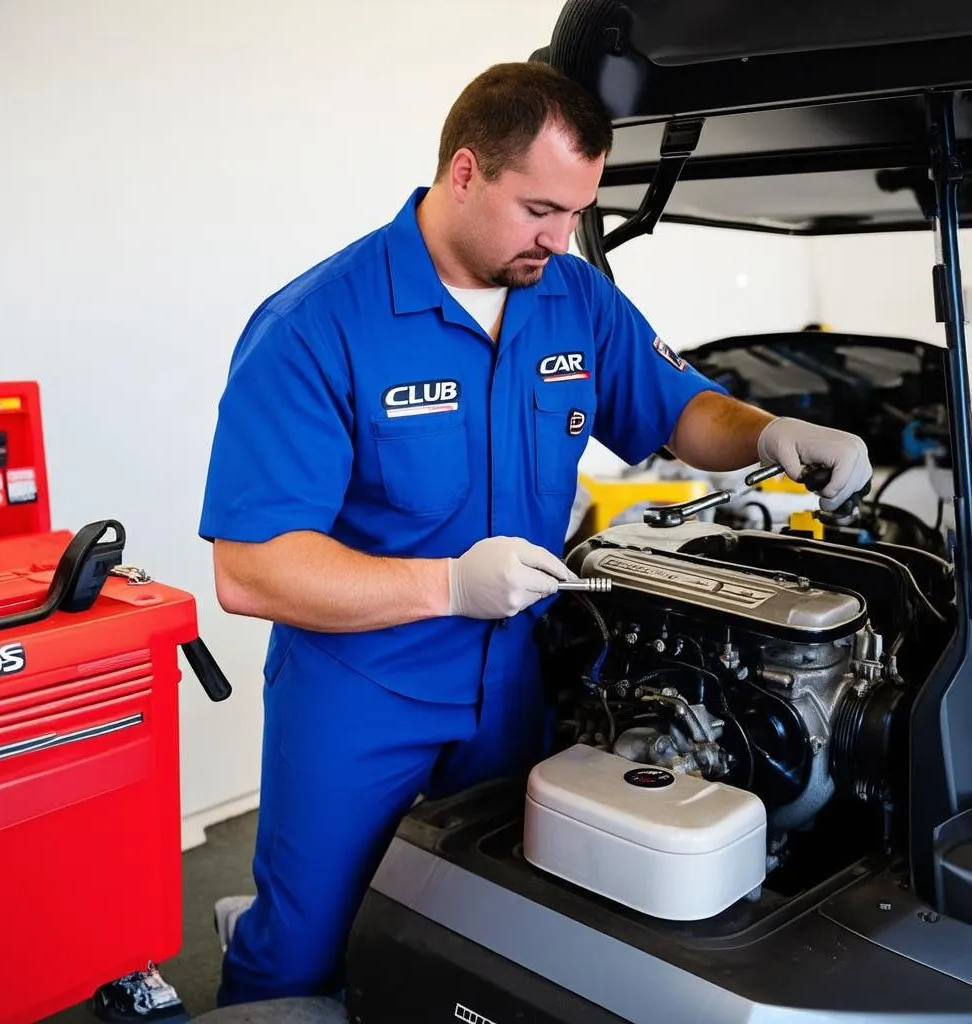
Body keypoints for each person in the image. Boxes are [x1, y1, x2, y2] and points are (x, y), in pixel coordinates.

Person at [198, 60, 872, 1007]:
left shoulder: (573, 296)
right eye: (541, 210)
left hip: (518, 677)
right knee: (305, 945)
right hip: (361, 692)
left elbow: (676, 408)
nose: (561, 240)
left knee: (495, 927)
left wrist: (765, 430)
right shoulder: (318, 326)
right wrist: (445, 588)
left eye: (576, 214)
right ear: (465, 170)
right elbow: (253, 570)